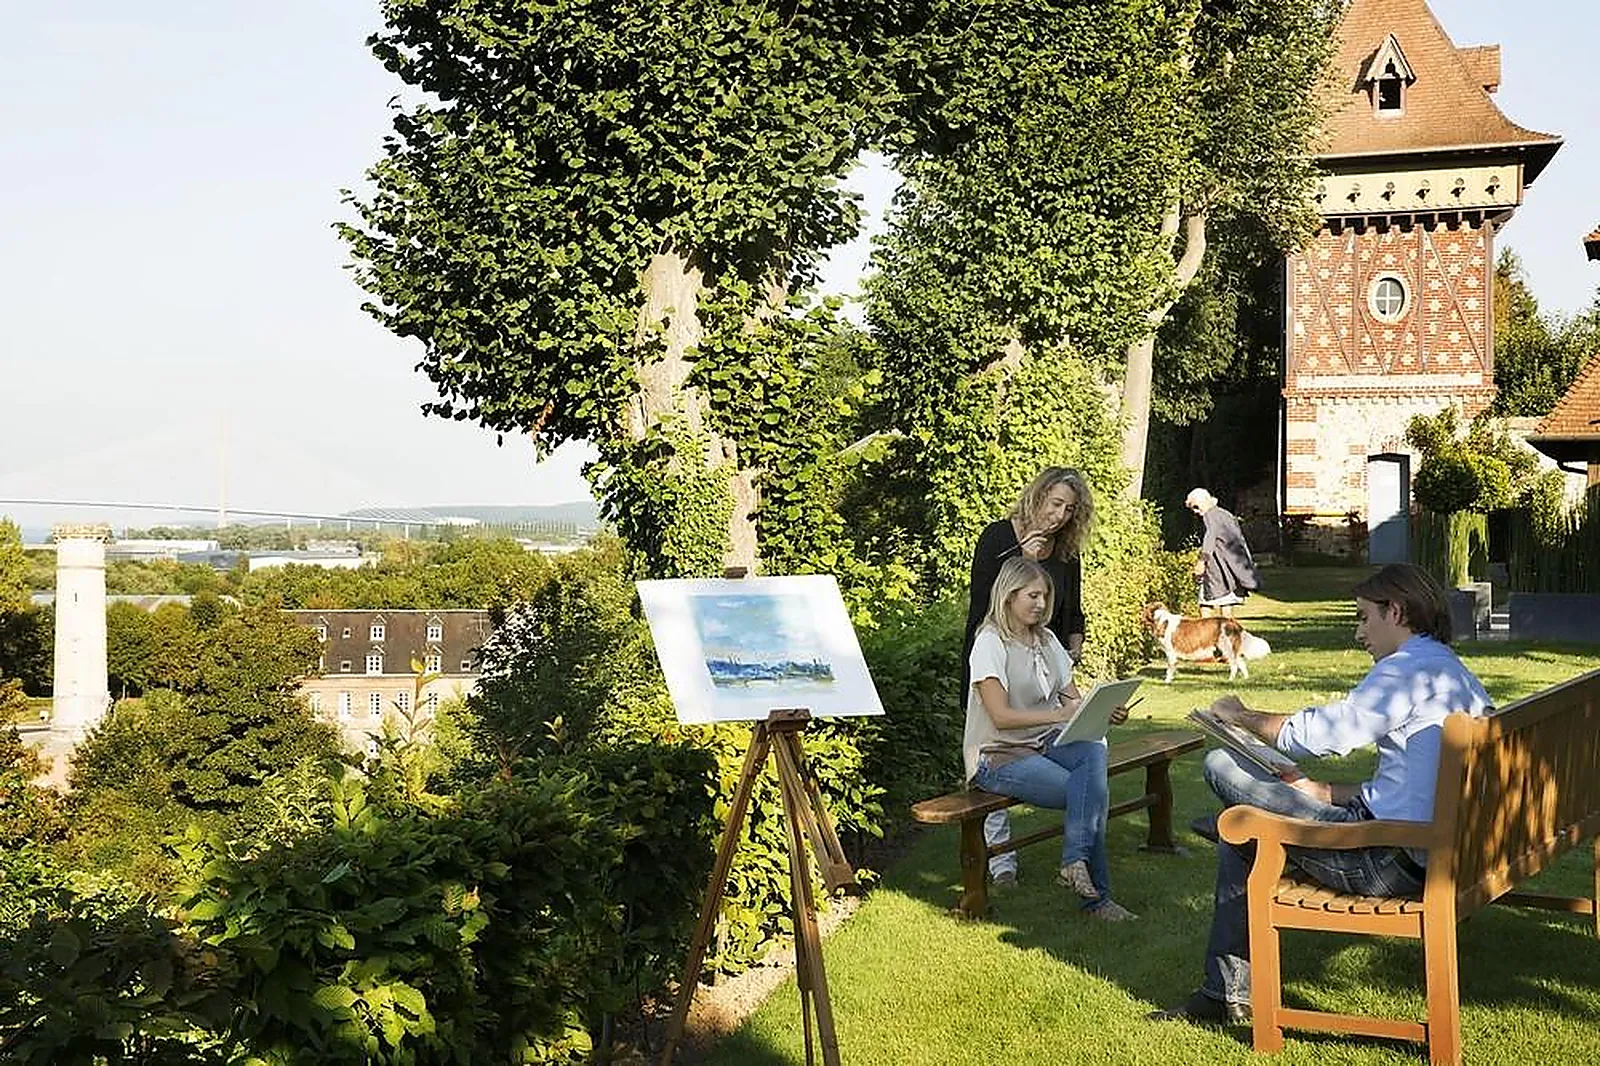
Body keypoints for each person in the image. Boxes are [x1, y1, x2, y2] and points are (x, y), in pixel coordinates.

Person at [1149, 563, 1492, 1024]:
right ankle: (1222, 990)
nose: (1358, 632)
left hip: (1386, 861)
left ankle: (1222, 990)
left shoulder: (1406, 672)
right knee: (1245, 836)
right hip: (1441, 845)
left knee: (1221, 766)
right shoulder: (1449, 671)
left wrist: (1242, 715)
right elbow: (1409, 782)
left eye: (1364, 617)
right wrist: (1321, 790)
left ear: (1395, 612)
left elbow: (1320, 736)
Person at [965, 556, 1136, 921]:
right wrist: (1059, 714)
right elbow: (1001, 716)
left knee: (1092, 756)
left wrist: (1104, 712)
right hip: (998, 755)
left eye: (1045, 596)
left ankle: (1075, 862)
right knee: (1090, 793)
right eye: (1032, 596)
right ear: (1009, 596)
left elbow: (1072, 699)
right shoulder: (990, 642)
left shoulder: (1046, 640)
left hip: (1043, 742)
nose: (1041, 604)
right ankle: (1097, 900)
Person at [962, 467, 1093, 885]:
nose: (1059, 516)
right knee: (996, 748)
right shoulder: (998, 538)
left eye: (1069, 510)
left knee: (1089, 757)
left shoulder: (1067, 552)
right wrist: (1026, 562)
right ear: (1036, 496)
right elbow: (988, 599)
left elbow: (1072, 605)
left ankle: (1082, 870)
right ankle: (1001, 865)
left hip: (1042, 655)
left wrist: (1072, 642)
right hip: (998, 656)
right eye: (1055, 504)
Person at [1185, 488, 1260, 619]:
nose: (1196, 512)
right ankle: (1229, 638)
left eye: (1195, 508)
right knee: (1226, 609)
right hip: (1231, 569)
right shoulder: (1226, 514)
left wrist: (1202, 561)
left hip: (1217, 570)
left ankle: (1207, 637)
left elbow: (1210, 538)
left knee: (1205, 606)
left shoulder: (1210, 515)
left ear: (1203, 502)